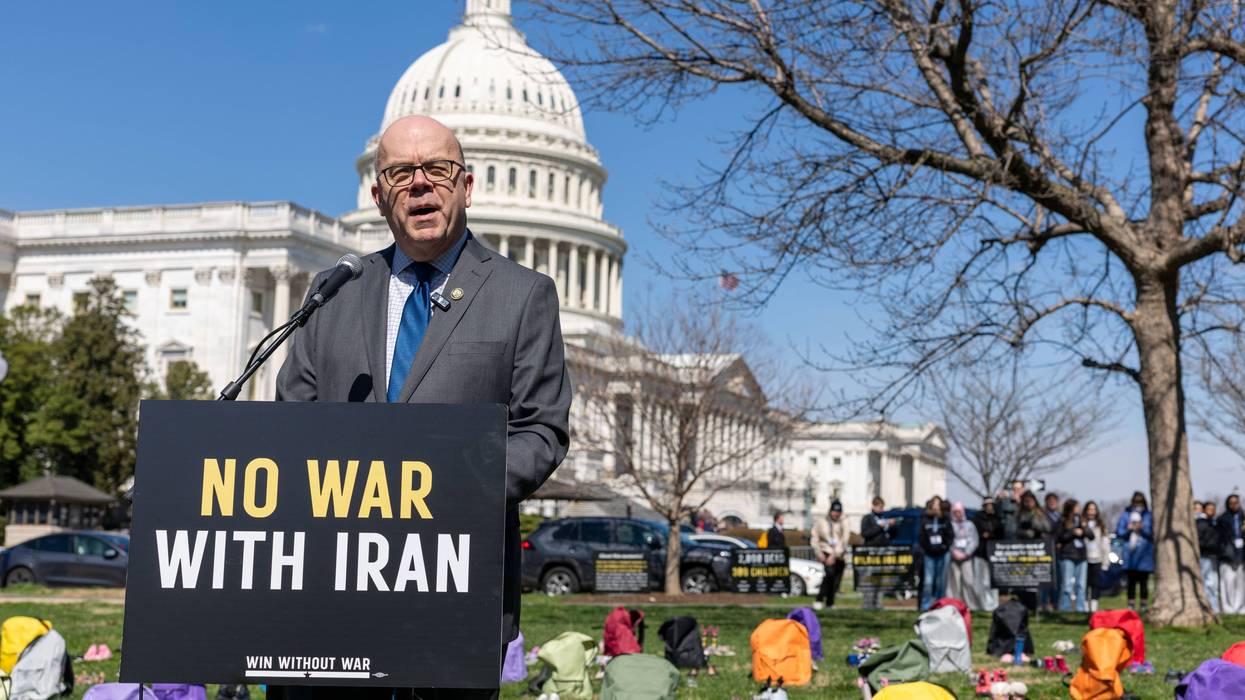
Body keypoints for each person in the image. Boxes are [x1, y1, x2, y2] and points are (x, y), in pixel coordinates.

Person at [276, 115, 571, 700]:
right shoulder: (331, 293)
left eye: (436, 169)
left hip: (452, 591)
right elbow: (293, 417)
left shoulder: (521, 295)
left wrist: (444, 486)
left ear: (465, 184)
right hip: (333, 595)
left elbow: (541, 431)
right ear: (377, 193)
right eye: (400, 172)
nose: (419, 184)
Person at [1115, 490, 1155, 614]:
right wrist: (1129, 529)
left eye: (1140, 502)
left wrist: (1142, 528)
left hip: (1144, 554)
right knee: (1131, 582)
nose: (1138, 505)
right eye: (1136, 502)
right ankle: (1130, 604)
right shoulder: (1126, 515)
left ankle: (1143, 605)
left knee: (1144, 581)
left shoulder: (1148, 516)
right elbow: (1119, 532)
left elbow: (1153, 533)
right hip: (1130, 554)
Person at [1013, 490, 1050, 611]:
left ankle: (1038, 605)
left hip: (1038, 549)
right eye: (1026, 501)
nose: (1028, 503)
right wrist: (1026, 531)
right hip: (1024, 548)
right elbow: (1015, 530)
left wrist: (1033, 524)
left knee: (1037, 578)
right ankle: (1025, 604)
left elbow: (1047, 527)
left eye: (1030, 501)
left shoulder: (1040, 513)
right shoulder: (1019, 514)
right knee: (1025, 579)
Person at [860, 496, 897, 610]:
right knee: (869, 578)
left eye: (882, 507)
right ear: (873, 506)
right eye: (879, 507)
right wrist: (879, 526)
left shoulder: (886, 517)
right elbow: (866, 533)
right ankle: (868, 604)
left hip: (884, 551)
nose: (881, 509)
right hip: (871, 552)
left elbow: (893, 535)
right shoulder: (867, 518)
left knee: (882, 579)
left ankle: (879, 603)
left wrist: (892, 526)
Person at [1056, 498, 1093, 612]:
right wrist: (1073, 532)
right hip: (1067, 555)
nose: (1079, 508)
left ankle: (1080, 608)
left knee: (1081, 585)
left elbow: (1091, 536)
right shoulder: (1063, 521)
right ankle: (1065, 608)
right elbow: (1060, 537)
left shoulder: (1082, 520)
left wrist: (1084, 528)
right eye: (1077, 506)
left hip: (1081, 555)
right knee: (1067, 584)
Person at [811, 500, 849, 610]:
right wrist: (819, 554)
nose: (836, 514)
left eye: (838, 512)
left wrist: (835, 555)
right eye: (834, 511)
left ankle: (830, 602)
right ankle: (819, 599)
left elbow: (844, 540)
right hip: (825, 552)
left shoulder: (844, 522)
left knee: (836, 580)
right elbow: (815, 538)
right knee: (829, 575)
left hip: (839, 554)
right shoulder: (821, 522)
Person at [919, 497, 954, 610]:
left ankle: (940, 605)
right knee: (928, 582)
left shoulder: (945, 519)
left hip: (943, 554)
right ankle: (925, 606)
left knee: (941, 582)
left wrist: (944, 546)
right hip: (929, 554)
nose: (936, 506)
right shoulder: (925, 519)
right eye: (934, 504)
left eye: (938, 504)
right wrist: (927, 548)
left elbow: (950, 535)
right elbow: (921, 536)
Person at [971, 498, 1004, 611]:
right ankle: (984, 603)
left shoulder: (998, 518)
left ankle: (994, 604)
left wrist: (991, 534)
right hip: (981, 552)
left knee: (994, 581)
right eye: (987, 505)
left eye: (991, 505)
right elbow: (975, 534)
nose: (989, 507)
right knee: (982, 580)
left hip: (994, 553)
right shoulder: (977, 518)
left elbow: (1000, 533)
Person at [946, 502, 980, 608]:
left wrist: (966, 553)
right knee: (954, 582)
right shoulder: (950, 525)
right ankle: (955, 604)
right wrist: (954, 552)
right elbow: (948, 540)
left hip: (967, 557)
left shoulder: (970, 525)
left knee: (968, 581)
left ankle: (971, 605)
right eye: (955, 512)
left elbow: (974, 540)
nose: (958, 514)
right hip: (954, 557)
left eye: (959, 512)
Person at [1217, 494, 1245, 614]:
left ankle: (1240, 607)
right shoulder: (1222, 519)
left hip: (1242, 554)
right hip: (1227, 556)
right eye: (1231, 503)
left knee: (1240, 583)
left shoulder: (1243, 518)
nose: (1234, 505)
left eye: (1236, 502)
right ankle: (1228, 608)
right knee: (1227, 582)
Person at [1083, 501, 1111, 613]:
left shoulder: (1101, 526)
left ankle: (1094, 606)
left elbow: (1105, 545)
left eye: (1093, 509)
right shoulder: (1082, 523)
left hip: (1097, 558)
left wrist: (1106, 562)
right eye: (1089, 509)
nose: (1091, 512)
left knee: (1095, 584)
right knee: (1084, 584)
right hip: (1084, 558)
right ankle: (1084, 607)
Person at [1040, 492, 1063, 612]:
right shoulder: (1042, 516)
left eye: (1054, 501)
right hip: (1045, 550)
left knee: (1057, 579)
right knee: (1045, 578)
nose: (1052, 503)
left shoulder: (1061, 517)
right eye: (1049, 501)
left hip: (1058, 551)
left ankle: (1055, 603)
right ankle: (1043, 603)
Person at [1198, 500, 1221, 614]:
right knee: (1205, 582)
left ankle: (1214, 607)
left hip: (1213, 556)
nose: (1211, 511)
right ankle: (1206, 607)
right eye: (1209, 509)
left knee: (1213, 583)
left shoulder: (1215, 523)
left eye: (1213, 509)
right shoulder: (1201, 523)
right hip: (1204, 556)